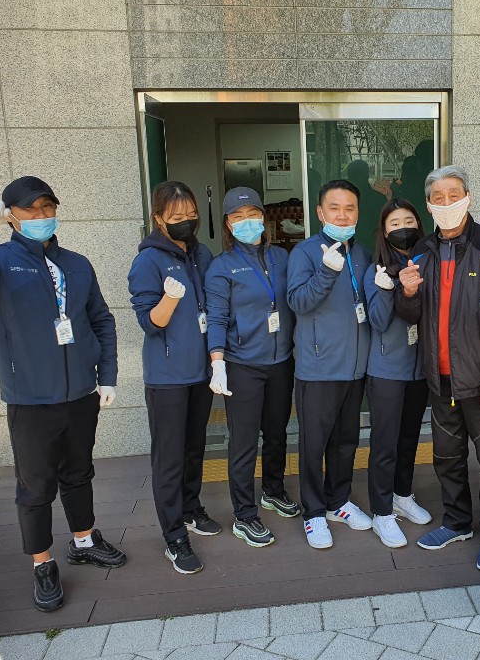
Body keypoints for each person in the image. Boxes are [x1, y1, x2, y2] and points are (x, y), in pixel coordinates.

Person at [0, 175, 125, 612]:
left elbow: (100, 320)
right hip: (29, 398)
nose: (43, 216)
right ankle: (42, 563)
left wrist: (108, 375)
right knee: (35, 486)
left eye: (48, 208)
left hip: (81, 392)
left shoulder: (77, 263)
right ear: (12, 216)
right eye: (32, 209)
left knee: (79, 472)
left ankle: (83, 540)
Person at [395, 165, 480, 571]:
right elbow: (412, 316)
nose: (447, 203)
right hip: (439, 376)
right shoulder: (422, 250)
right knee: (447, 457)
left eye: (454, 194)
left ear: (468, 197)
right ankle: (458, 522)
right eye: (438, 198)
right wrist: (409, 292)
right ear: (428, 204)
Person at [128, 181, 220, 574]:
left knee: (194, 447)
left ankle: (190, 507)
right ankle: (173, 536)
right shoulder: (147, 261)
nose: (186, 223)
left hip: (201, 372)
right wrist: (169, 298)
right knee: (169, 457)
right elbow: (150, 323)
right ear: (158, 219)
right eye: (176, 217)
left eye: (191, 215)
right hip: (167, 376)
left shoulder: (202, 253)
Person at [205, 187, 301, 550]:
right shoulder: (221, 267)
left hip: (280, 362)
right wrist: (218, 363)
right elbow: (216, 318)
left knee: (277, 433)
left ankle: (273, 491)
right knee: (243, 443)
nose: (247, 222)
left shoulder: (282, 257)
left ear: (264, 217)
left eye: (252, 214)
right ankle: (244, 515)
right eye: (238, 216)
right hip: (243, 364)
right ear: (228, 224)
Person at [287, 179, 373, 548]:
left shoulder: (363, 253)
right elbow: (298, 302)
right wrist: (326, 272)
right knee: (314, 444)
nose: (342, 214)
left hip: (354, 368)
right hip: (318, 368)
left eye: (349, 208)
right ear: (320, 213)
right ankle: (313, 512)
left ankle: (339, 501)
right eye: (334, 208)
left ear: (357, 213)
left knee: (346, 441)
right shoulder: (304, 253)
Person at [364, 199, 433, 548]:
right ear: (384, 230)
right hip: (387, 370)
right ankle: (381, 511)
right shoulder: (375, 269)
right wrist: (387, 290)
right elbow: (376, 322)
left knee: (409, 440)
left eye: (409, 220)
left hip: (419, 369)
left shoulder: (427, 262)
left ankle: (402, 495)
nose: (402, 227)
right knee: (385, 444)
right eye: (394, 223)